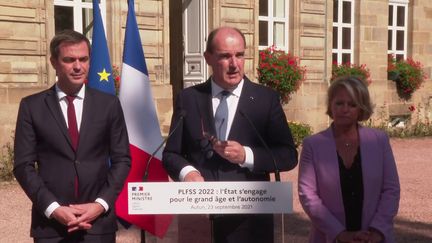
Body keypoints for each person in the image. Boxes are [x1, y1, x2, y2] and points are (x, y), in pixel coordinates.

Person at [162, 26, 298, 243]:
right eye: (225, 56)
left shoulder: (265, 99)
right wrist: (188, 173)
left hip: (250, 221)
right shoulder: (189, 98)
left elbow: (288, 155)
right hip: (199, 217)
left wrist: (246, 156)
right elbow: (171, 154)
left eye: (240, 55)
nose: (234, 64)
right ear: (208, 58)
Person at [13, 29, 131, 243]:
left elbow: (122, 159)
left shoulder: (109, 104)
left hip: (98, 224)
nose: (78, 66)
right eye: (69, 60)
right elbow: (23, 165)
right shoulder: (32, 107)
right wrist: (54, 209)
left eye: (83, 59)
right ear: (54, 63)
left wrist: (100, 204)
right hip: (51, 227)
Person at [298, 76, 400, 243]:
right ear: (331, 105)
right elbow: (308, 195)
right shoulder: (313, 145)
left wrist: (377, 231)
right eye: (339, 103)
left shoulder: (379, 140)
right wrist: (339, 234)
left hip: (373, 237)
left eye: (352, 104)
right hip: (329, 237)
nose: (344, 109)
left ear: (361, 109)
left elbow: (391, 189)